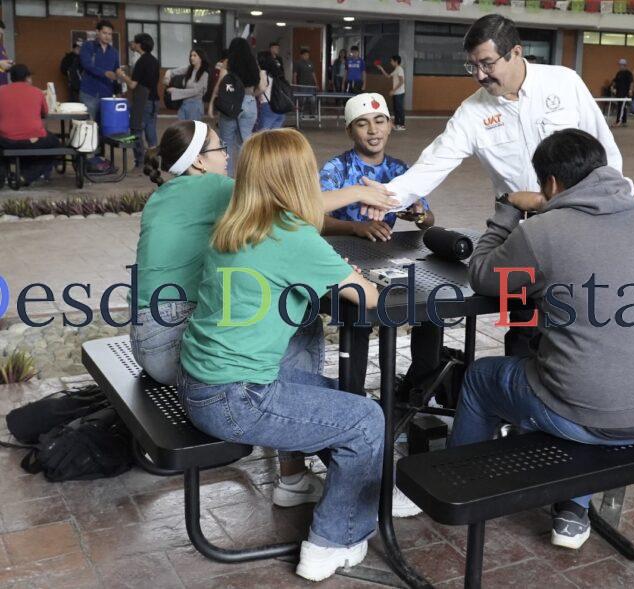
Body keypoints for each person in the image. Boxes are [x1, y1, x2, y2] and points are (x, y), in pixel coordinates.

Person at [452, 128, 634, 550]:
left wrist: (508, 208)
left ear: (550, 183)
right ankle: (572, 508)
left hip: (592, 414)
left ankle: (458, 487)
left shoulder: (543, 231)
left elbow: (483, 274)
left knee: (482, 378)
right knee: (574, 369)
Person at [177, 128, 384, 583]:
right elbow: (367, 296)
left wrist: (331, 270)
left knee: (344, 398)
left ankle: (364, 487)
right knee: (366, 420)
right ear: (297, 178)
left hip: (199, 384)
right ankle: (332, 541)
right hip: (237, 398)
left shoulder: (233, 226)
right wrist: (350, 274)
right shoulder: (291, 235)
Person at [136, 120, 353, 516]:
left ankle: (302, 448)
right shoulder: (214, 188)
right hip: (171, 344)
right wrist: (364, 193)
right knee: (296, 317)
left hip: (146, 337)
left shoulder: (164, 193)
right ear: (199, 162)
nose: (227, 155)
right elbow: (289, 202)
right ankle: (293, 474)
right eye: (220, 149)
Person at [381, 14, 628, 357]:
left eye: (487, 63)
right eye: (472, 66)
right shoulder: (473, 112)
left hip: (581, 227)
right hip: (525, 235)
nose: (480, 75)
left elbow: (606, 153)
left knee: (582, 326)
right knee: (525, 332)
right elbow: (432, 164)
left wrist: (615, 211)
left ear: (515, 52)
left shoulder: (564, 83)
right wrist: (383, 198)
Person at [320, 93, 439, 404]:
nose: (373, 130)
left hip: (386, 260)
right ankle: (354, 402)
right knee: (359, 317)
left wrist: (418, 214)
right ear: (350, 130)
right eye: (362, 124)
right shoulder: (336, 169)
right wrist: (355, 227)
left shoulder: (400, 170)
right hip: (344, 263)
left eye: (379, 121)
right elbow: (314, 218)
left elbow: (428, 219)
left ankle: (415, 393)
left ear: (390, 125)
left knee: (433, 307)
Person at [0, 64, 62, 185]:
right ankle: (26, 176)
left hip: (6, 140)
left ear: (11, 78)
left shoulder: (1, 91)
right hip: (33, 140)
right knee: (56, 145)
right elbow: (45, 112)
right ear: (28, 78)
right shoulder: (37, 92)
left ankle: (2, 176)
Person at [208, 37, 260, 177]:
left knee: (227, 144)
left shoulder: (228, 63)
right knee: (245, 143)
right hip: (249, 103)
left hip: (230, 106)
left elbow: (220, 86)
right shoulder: (253, 64)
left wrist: (212, 103)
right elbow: (261, 86)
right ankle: (247, 178)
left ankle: (229, 180)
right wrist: (249, 97)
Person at [117, 33, 160, 171]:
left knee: (136, 129)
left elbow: (132, 85)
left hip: (143, 100)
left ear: (139, 44)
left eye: (134, 42)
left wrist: (122, 75)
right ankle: (153, 162)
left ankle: (140, 163)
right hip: (154, 100)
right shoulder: (154, 60)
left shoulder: (141, 61)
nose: (132, 44)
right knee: (150, 130)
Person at [79, 20, 121, 123]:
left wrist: (119, 87)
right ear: (97, 32)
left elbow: (116, 69)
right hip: (89, 93)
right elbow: (87, 65)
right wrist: (105, 73)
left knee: (105, 125)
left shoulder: (114, 52)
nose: (107, 36)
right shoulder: (88, 46)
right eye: (104, 33)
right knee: (88, 126)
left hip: (107, 94)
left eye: (110, 34)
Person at [165, 48, 210, 122]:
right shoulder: (189, 69)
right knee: (182, 128)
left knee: (193, 128)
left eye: (195, 55)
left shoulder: (204, 74)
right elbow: (172, 72)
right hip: (183, 103)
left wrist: (175, 91)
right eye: (191, 55)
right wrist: (167, 76)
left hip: (195, 106)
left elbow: (195, 91)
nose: (192, 57)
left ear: (201, 58)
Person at [255, 50, 285, 130]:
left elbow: (262, 88)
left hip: (268, 106)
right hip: (280, 106)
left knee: (263, 134)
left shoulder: (263, 72)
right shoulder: (278, 73)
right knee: (275, 134)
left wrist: (253, 94)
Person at [376, 55, 406, 130]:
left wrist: (393, 90)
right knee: (396, 109)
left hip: (399, 93)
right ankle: (397, 124)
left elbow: (401, 81)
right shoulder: (396, 69)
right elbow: (388, 76)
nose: (390, 62)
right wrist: (381, 68)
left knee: (399, 109)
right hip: (396, 93)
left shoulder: (400, 69)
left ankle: (402, 125)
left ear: (396, 61)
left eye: (392, 61)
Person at [293, 48, 317, 117]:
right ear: (301, 55)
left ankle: (312, 114)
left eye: (308, 55)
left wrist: (316, 83)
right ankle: (301, 113)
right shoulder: (297, 63)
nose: (307, 56)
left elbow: (313, 73)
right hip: (302, 85)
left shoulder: (311, 63)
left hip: (311, 85)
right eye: (305, 55)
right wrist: (295, 85)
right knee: (302, 100)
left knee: (313, 99)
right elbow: (295, 74)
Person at [611, 58, 633, 127]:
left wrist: (630, 90)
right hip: (619, 93)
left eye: (621, 65)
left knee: (621, 107)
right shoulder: (618, 73)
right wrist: (613, 87)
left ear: (624, 65)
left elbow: (631, 82)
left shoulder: (628, 73)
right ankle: (624, 122)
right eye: (619, 65)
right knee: (622, 107)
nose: (620, 66)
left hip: (625, 93)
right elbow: (615, 81)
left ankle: (618, 121)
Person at [0, 20, 13, 87]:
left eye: (1, 34)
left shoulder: (1, 47)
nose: (0, 36)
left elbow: (3, 67)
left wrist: (9, 65)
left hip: (3, 86)